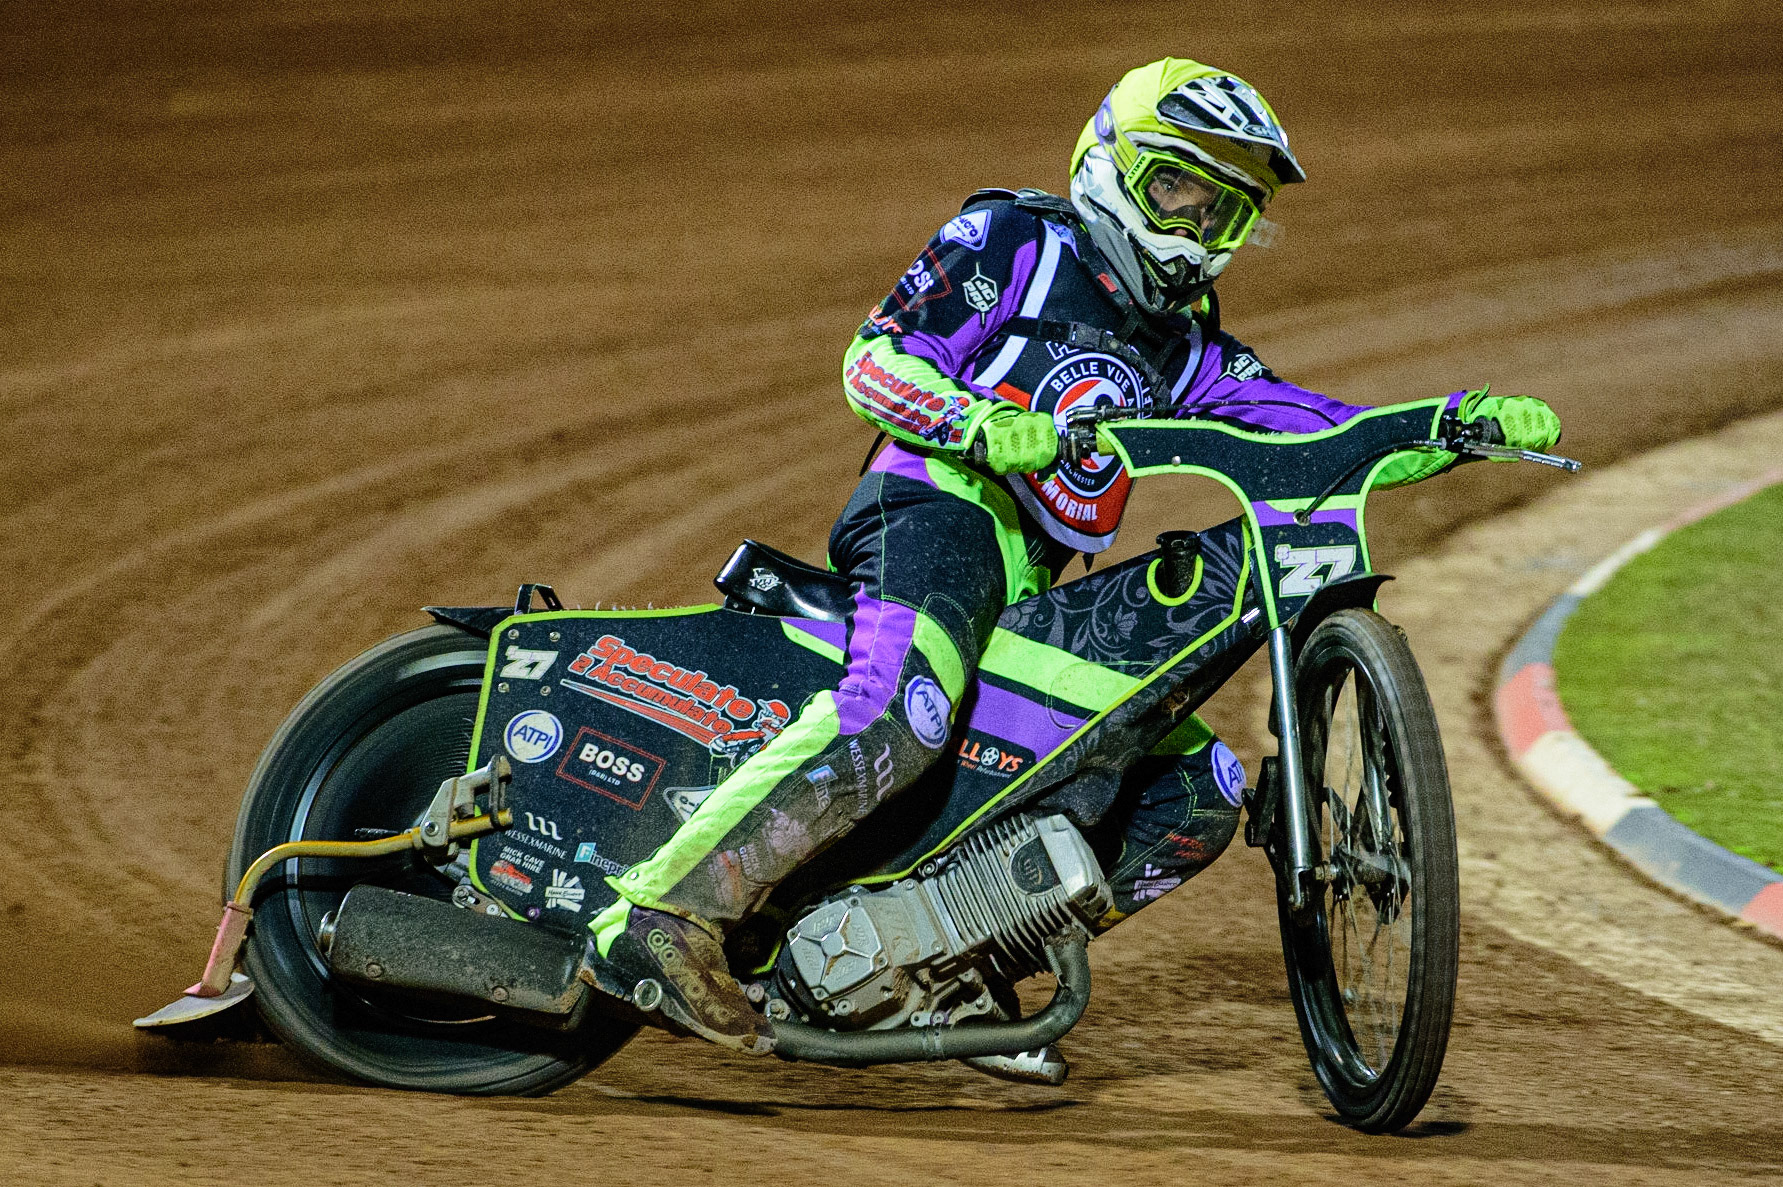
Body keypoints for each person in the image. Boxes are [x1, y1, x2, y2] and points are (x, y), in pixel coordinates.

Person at [589, 58, 1561, 1055]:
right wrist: (973, 423)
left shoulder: (1185, 346)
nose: (1193, 228)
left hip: (1026, 582)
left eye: (1222, 212)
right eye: (1177, 190)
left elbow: (1309, 433)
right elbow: (874, 358)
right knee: (904, 706)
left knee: (1200, 790)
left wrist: (1449, 422)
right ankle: (659, 917)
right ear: (1114, 164)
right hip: (933, 506)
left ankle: (940, 975)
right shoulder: (1012, 239)